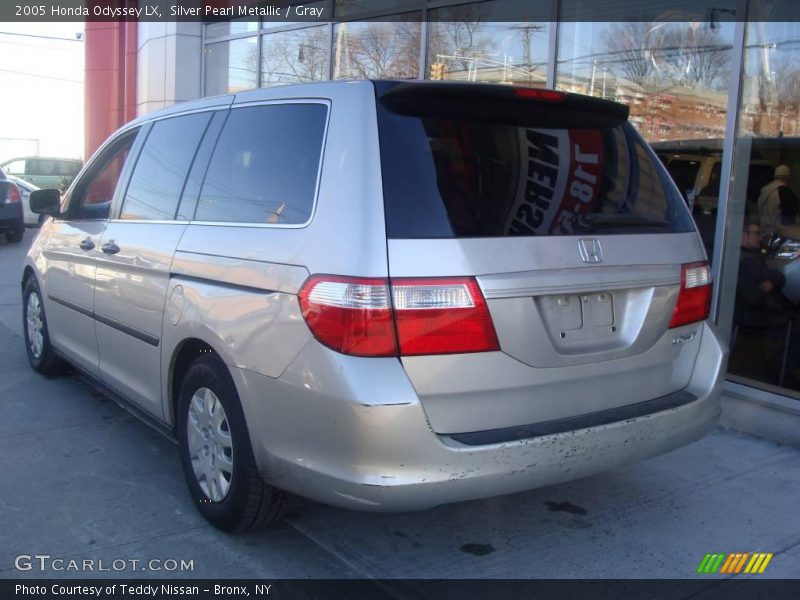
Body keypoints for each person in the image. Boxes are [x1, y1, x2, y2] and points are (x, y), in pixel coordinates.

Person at [757, 164, 799, 236]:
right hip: (777, 235)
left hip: (763, 233)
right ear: (788, 178)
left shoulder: (763, 192)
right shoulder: (785, 193)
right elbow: (789, 221)